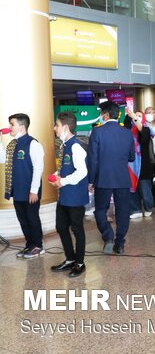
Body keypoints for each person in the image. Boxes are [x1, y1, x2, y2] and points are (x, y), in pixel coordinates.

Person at [87, 101, 135, 255]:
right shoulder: (127, 133)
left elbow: (92, 159)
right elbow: (131, 157)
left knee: (100, 210)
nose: (100, 117)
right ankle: (120, 243)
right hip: (122, 178)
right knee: (123, 211)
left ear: (106, 115)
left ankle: (108, 237)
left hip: (103, 179)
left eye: (101, 114)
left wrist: (91, 180)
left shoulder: (97, 132)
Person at [0, 113, 45, 259]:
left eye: (12, 124)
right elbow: (3, 159)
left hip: (30, 191)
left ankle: (38, 245)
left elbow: (39, 168)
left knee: (32, 218)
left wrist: (33, 191)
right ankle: (30, 244)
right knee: (23, 219)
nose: (9, 127)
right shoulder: (13, 144)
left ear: (22, 126)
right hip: (17, 190)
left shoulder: (33, 144)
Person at [49, 111, 88, 277]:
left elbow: (82, 172)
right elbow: (65, 167)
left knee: (77, 229)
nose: (54, 128)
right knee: (61, 227)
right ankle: (70, 259)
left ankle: (80, 263)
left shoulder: (76, 146)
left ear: (65, 127)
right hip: (64, 196)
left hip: (75, 196)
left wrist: (62, 181)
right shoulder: (64, 145)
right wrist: (58, 175)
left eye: (56, 125)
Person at [124, 107, 154, 219]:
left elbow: (143, 132)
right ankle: (135, 209)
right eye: (135, 116)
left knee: (145, 189)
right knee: (132, 189)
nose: (136, 118)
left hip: (143, 165)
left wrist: (136, 119)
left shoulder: (147, 129)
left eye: (139, 116)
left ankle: (148, 207)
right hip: (130, 166)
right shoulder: (128, 131)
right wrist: (129, 116)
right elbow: (126, 123)